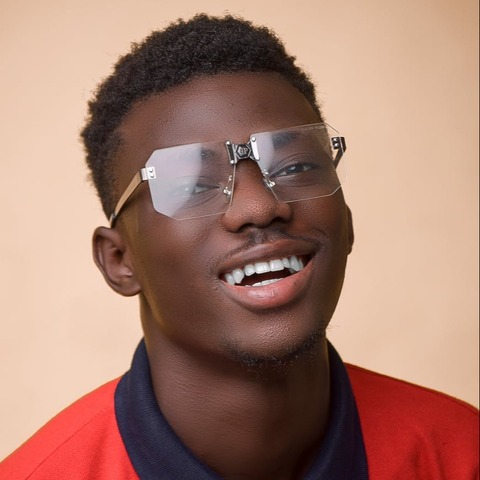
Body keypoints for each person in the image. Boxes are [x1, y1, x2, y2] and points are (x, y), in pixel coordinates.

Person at [0, 14, 477, 480]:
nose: (259, 206)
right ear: (119, 261)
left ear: (347, 220)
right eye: (193, 184)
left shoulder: (462, 455)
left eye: (294, 167)